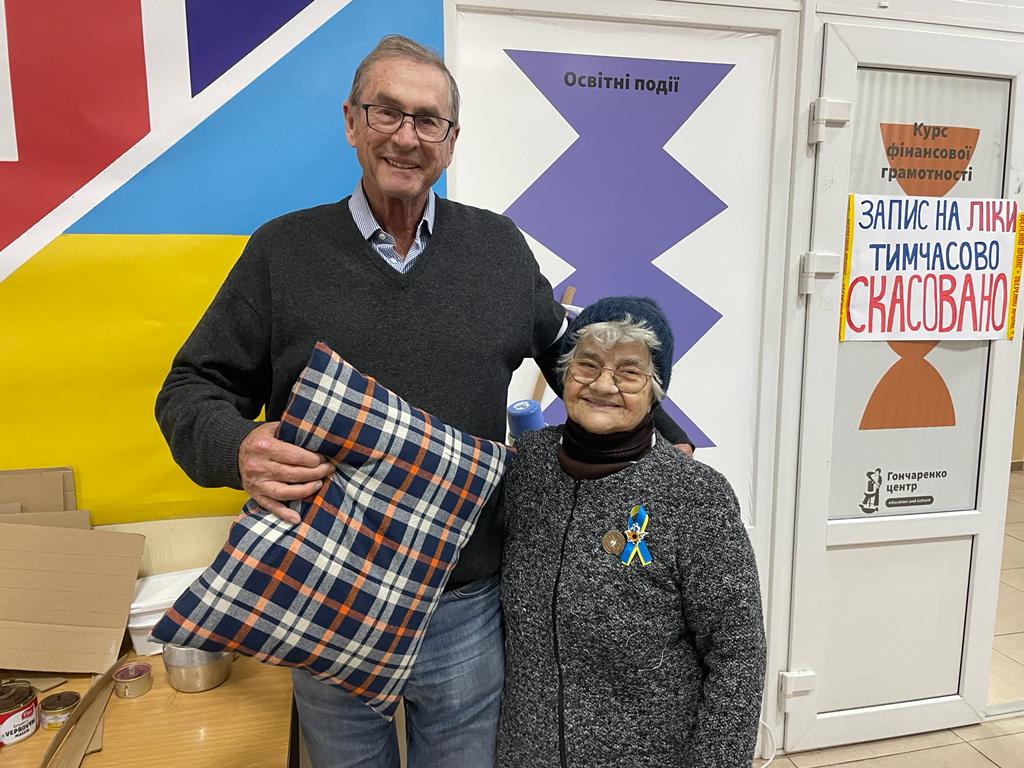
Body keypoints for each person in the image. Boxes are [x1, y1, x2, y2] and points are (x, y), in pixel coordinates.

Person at [155, 35, 693, 768]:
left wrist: (666, 431)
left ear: (450, 140)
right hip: (326, 594)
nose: (406, 136)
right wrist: (236, 447)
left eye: (427, 120)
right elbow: (191, 386)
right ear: (352, 121)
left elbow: (578, 355)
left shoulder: (497, 250)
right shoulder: (283, 253)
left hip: (464, 603)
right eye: (387, 113)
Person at [499, 296, 766, 768]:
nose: (603, 384)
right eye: (587, 364)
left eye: (629, 372)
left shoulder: (694, 495)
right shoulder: (526, 469)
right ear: (565, 374)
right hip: (527, 751)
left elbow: (737, 654)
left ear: (655, 389)